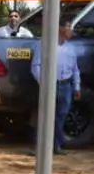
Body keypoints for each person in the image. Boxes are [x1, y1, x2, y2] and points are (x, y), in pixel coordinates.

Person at [31, 18, 79, 154]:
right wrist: (44, 85)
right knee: (44, 116)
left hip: (66, 85)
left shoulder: (71, 48)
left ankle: (56, 145)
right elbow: (36, 67)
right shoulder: (45, 44)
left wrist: (77, 86)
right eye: (69, 26)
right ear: (60, 28)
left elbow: (75, 69)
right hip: (50, 85)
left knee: (61, 115)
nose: (71, 30)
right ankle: (39, 147)